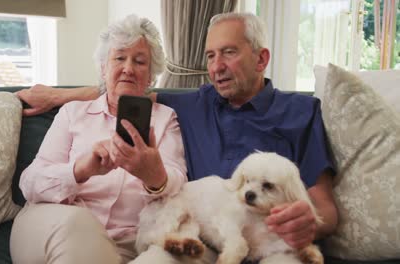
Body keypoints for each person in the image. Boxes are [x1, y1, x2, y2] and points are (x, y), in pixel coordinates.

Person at [17, 12, 339, 263]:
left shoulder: (300, 111)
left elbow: (324, 205)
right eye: (211, 56)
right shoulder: (196, 102)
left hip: (263, 237)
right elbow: (120, 91)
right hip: (198, 234)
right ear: (103, 67)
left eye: (228, 53)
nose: (217, 67)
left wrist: (311, 220)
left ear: (261, 59)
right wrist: (60, 97)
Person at [9, 15, 187, 264]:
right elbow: (30, 183)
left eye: (139, 61)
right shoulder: (73, 113)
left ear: (150, 77)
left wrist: (154, 175)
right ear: (103, 68)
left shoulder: (165, 119)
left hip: (125, 243)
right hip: (54, 224)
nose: (128, 68)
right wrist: (80, 170)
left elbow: (177, 181)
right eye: (119, 58)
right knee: (80, 223)